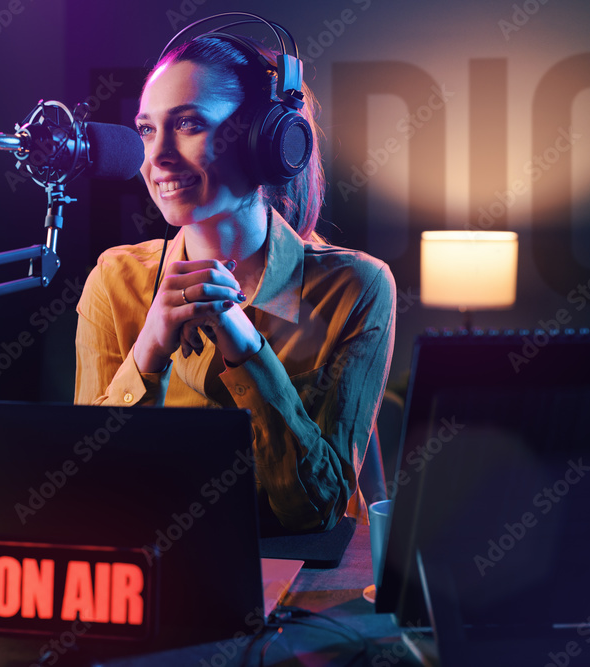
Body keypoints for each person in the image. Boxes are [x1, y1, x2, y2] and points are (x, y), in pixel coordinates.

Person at [73, 30, 396, 533]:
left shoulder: (358, 287)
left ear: (266, 142)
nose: (156, 157)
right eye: (145, 130)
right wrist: (149, 352)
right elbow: (91, 494)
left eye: (188, 124)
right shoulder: (115, 279)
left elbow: (318, 509)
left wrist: (248, 351)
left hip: (297, 590)